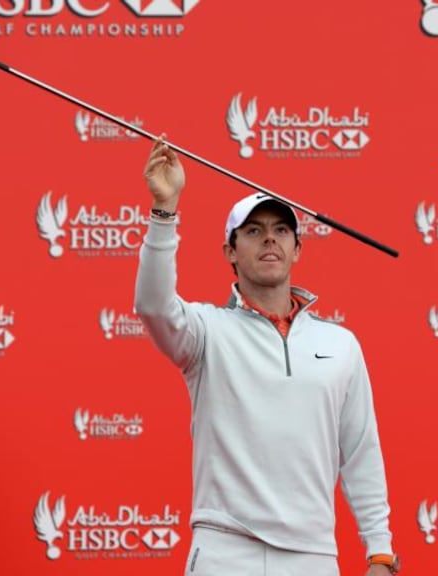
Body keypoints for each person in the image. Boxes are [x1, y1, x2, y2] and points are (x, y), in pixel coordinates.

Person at [134, 136, 399, 576]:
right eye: (253, 231)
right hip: (224, 551)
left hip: (313, 557)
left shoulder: (341, 345)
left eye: (281, 230)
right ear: (230, 253)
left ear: (297, 249)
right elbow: (153, 304)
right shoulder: (206, 331)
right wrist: (165, 210)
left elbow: (359, 452)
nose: (269, 240)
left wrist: (381, 552)